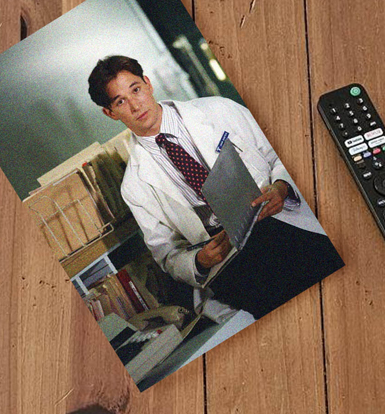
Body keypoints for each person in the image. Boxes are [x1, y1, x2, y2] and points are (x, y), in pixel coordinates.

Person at [88, 55, 343, 320]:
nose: (135, 104)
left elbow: (281, 153)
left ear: (148, 84)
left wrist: (282, 187)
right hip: (229, 259)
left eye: (136, 89)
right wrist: (199, 261)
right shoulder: (134, 186)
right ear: (110, 113)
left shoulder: (219, 110)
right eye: (120, 101)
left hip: (279, 221)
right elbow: (166, 254)